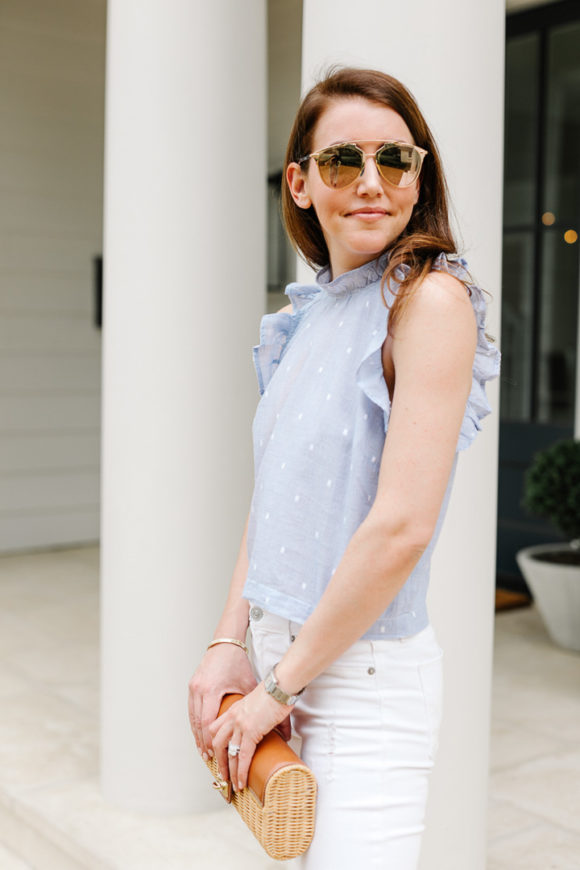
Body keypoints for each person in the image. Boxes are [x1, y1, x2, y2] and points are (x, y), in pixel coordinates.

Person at [188, 67, 500, 869]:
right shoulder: (310, 313)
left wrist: (277, 691)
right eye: (341, 162)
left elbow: (400, 528)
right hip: (286, 660)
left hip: (362, 679)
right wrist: (230, 640)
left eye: (395, 160)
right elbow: (275, 496)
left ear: (419, 177)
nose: (372, 183)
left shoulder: (429, 302)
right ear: (299, 183)